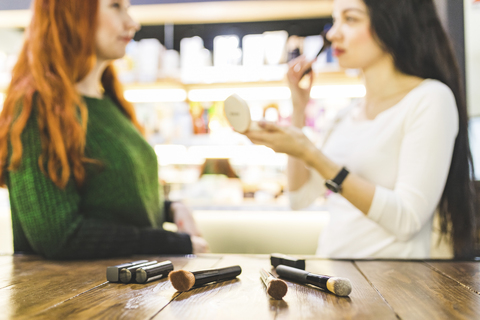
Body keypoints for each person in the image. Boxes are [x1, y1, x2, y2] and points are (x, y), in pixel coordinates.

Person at [246, 0, 477, 259]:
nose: (333, 33)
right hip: (332, 279)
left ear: (391, 23)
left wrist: (311, 154)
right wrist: (298, 110)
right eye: (335, 20)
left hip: (391, 288)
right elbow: (299, 198)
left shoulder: (430, 98)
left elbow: (408, 220)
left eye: (351, 19)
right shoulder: (345, 116)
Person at [0, 0, 209, 259]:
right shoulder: (35, 108)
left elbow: (111, 201)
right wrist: (169, 243)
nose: (133, 23)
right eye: (115, 6)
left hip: (126, 294)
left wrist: (171, 208)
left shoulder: (109, 103)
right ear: (71, 13)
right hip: (75, 298)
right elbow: (59, 236)